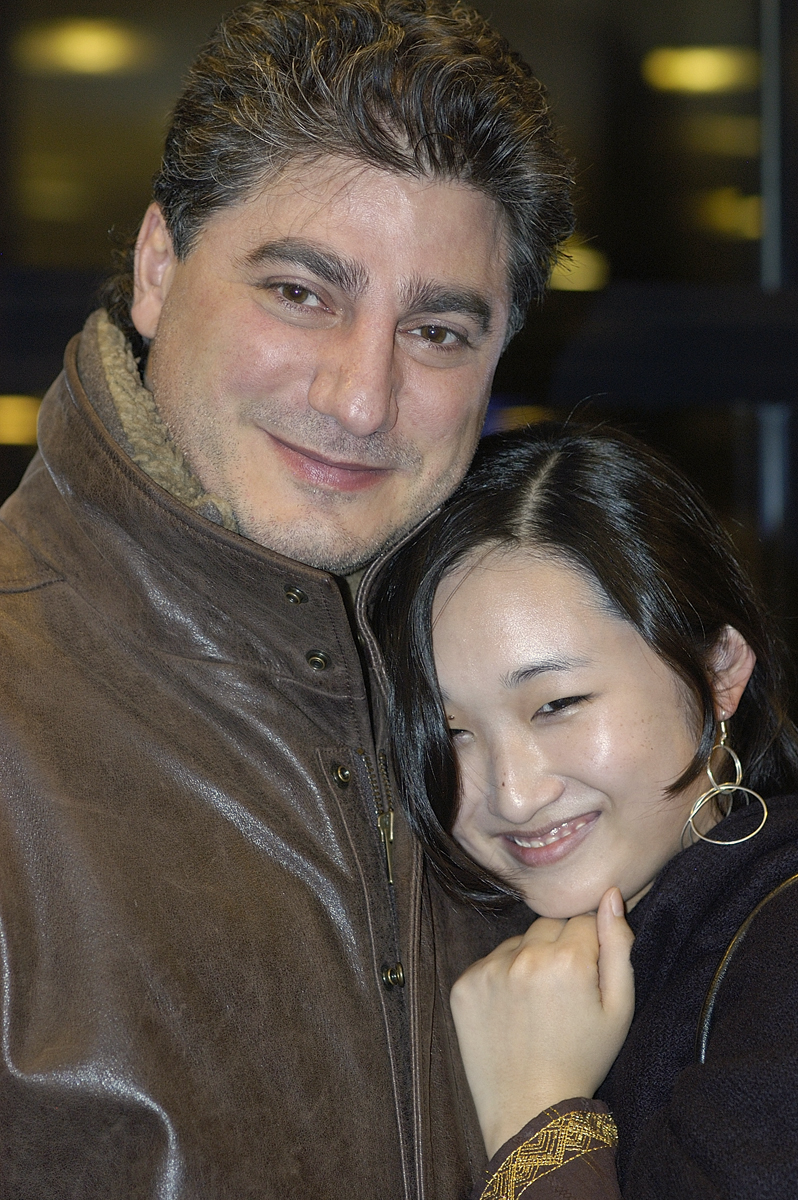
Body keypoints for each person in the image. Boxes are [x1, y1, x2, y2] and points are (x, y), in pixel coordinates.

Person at [0, 3, 574, 1195]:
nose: (363, 399)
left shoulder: (560, 740)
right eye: (303, 293)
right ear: (160, 268)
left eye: (437, 328)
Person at [373, 423, 798, 1198]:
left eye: (558, 704)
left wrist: (540, 1116)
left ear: (720, 672)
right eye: (450, 731)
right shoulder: (484, 950)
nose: (512, 792)